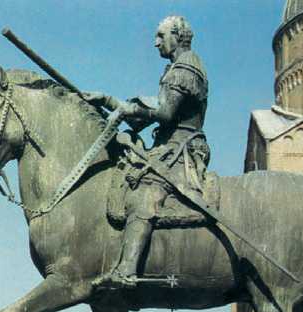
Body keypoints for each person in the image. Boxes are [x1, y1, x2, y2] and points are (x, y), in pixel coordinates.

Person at [84, 15, 209, 288]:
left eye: (160, 36)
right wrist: (108, 101)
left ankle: (126, 270)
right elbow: (144, 116)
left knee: (145, 192)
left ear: (177, 36)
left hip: (182, 150)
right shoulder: (175, 68)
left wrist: (129, 108)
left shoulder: (186, 68)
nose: (155, 42)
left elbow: (164, 113)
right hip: (168, 147)